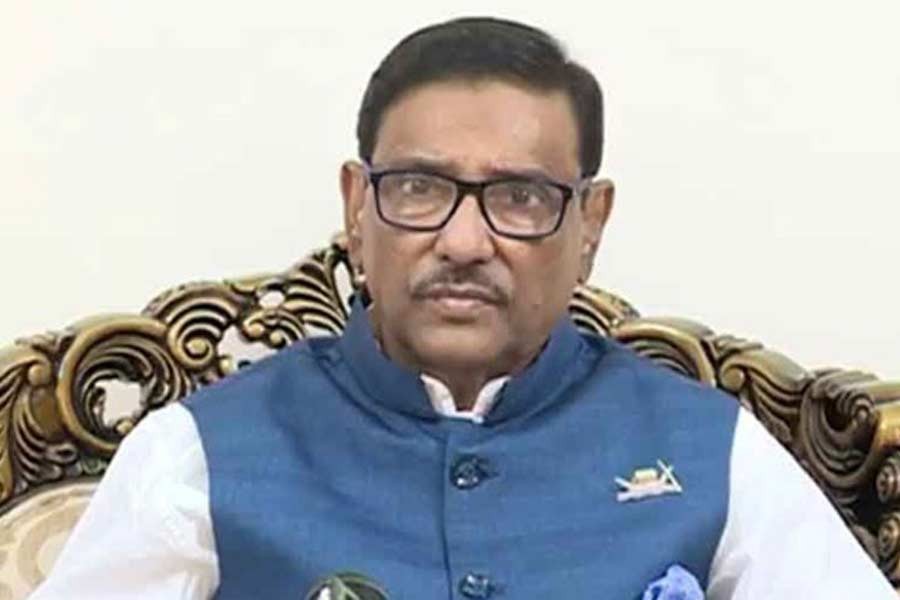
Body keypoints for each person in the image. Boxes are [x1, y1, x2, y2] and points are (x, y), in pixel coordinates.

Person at [30, 16, 895, 600]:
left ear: (590, 224)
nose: (464, 241)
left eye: (519, 197)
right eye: (418, 187)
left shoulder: (710, 451)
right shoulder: (199, 456)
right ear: (357, 207)